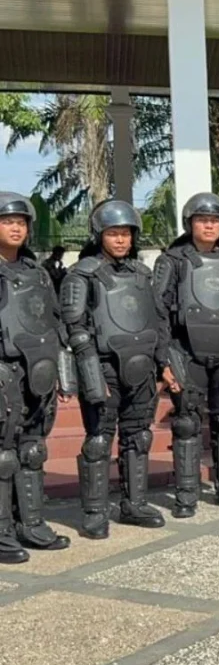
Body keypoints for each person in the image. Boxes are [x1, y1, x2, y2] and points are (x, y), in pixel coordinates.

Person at [61, 199, 167, 539]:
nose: (121, 240)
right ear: (99, 235)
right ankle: (94, 512)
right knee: (98, 441)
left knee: (139, 436)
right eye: (113, 233)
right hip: (104, 367)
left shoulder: (142, 273)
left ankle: (133, 504)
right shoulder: (83, 274)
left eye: (126, 234)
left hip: (142, 366)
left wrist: (164, 364)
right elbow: (74, 328)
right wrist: (91, 375)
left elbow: (157, 320)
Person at [154, 193, 219, 518]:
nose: (209, 225)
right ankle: (186, 493)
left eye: (215, 220)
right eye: (202, 220)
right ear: (190, 224)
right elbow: (158, 312)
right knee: (186, 423)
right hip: (185, 350)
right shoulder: (171, 261)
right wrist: (163, 360)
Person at [0, 192, 72, 562]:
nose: (16, 227)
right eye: (8, 221)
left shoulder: (37, 271)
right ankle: (2, 532)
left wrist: (61, 371)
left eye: (21, 222)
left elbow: (55, 321)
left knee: (31, 449)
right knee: (3, 455)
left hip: (38, 370)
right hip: (3, 369)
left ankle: (31, 523)